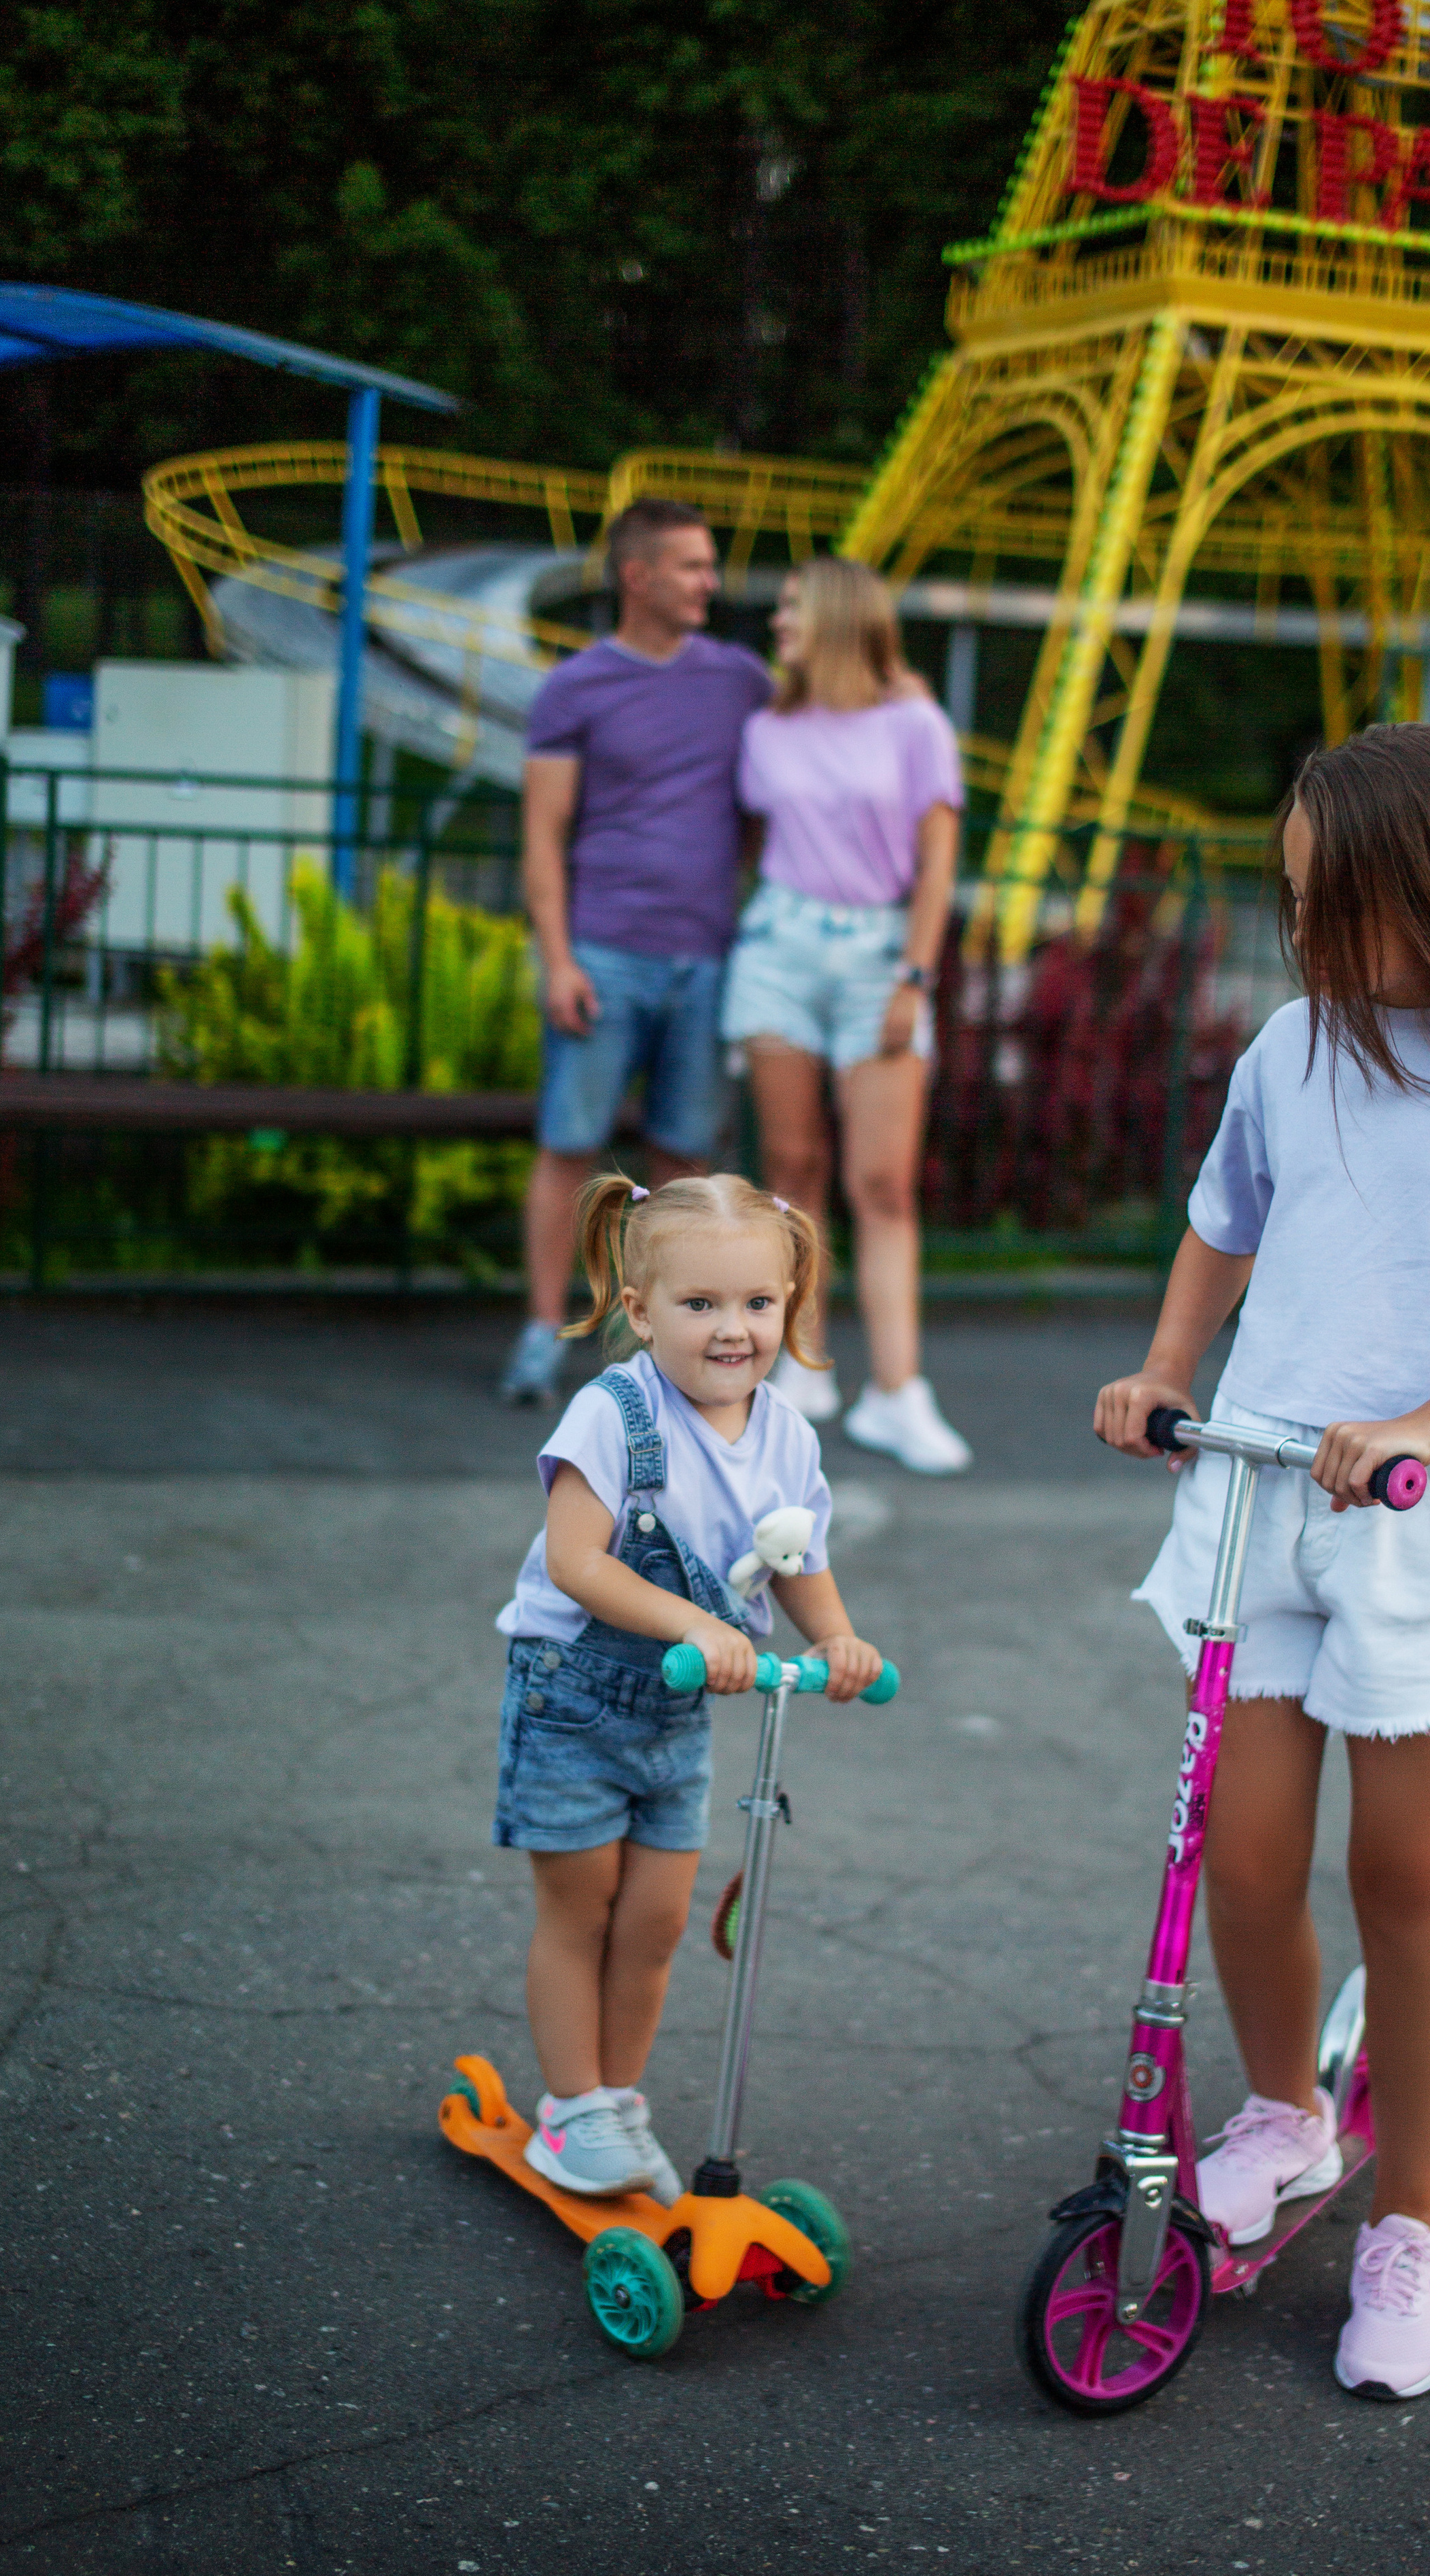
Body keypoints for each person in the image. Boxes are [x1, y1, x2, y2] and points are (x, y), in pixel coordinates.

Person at [1094, 723, 1430, 2401]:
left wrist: (1424, 1423)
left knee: (1399, 1889)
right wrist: (1167, 1366)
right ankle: (1284, 2109)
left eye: (1337, 907)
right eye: (1296, 906)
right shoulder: (1290, 1044)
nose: (1307, 940)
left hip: (1417, 1524)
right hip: (1257, 1498)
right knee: (1241, 1861)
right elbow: (1224, 1215)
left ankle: (1404, 2223)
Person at [491, 1169, 885, 2199]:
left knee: (658, 1921)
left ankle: (620, 2100)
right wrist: (701, 1625)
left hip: (680, 1707)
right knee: (582, 1909)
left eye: (758, 1304)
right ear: (639, 1309)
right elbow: (579, 1560)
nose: (733, 1330)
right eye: (699, 1304)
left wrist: (839, 1640)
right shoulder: (613, 1413)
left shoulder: (787, 1433)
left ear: (789, 1306)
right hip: (574, 1692)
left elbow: (800, 1561)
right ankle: (570, 2108)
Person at [500, 499, 773, 1402]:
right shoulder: (575, 687)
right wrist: (558, 958)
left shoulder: (741, 679)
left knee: (685, 1166)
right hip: (604, 954)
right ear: (638, 575)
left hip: (707, 959)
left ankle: (660, 1347)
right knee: (569, 1148)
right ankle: (543, 1334)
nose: (711, 582)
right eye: (693, 566)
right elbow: (543, 835)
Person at [721, 556, 972, 1475]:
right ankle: (807, 1365)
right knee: (791, 1166)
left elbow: (937, 862)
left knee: (883, 1184)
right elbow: (758, 841)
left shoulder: (915, 725)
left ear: (835, 616)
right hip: (779, 949)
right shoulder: (767, 729)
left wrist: (915, 974)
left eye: (791, 607)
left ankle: (899, 1393)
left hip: (879, 960)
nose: (778, 622)